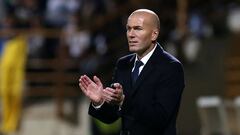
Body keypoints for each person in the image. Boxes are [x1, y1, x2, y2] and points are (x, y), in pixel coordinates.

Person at [79, 9, 185, 135]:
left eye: (138, 28)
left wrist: (123, 101)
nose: (131, 34)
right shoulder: (123, 64)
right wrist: (99, 102)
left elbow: (160, 119)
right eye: (128, 29)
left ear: (154, 34)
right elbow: (112, 117)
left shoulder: (171, 67)